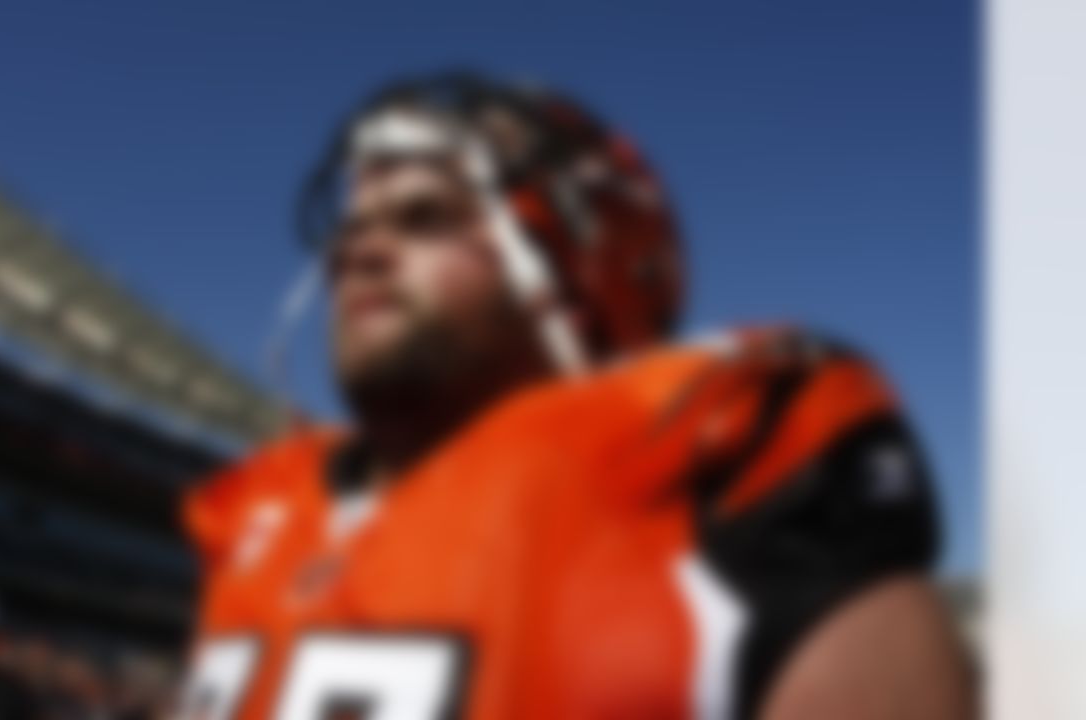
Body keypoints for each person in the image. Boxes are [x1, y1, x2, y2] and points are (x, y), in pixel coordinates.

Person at [177, 72, 974, 719]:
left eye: (425, 218)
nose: (360, 252)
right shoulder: (255, 509)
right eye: (353, 231)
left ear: (585, 278)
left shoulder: (706, 454)